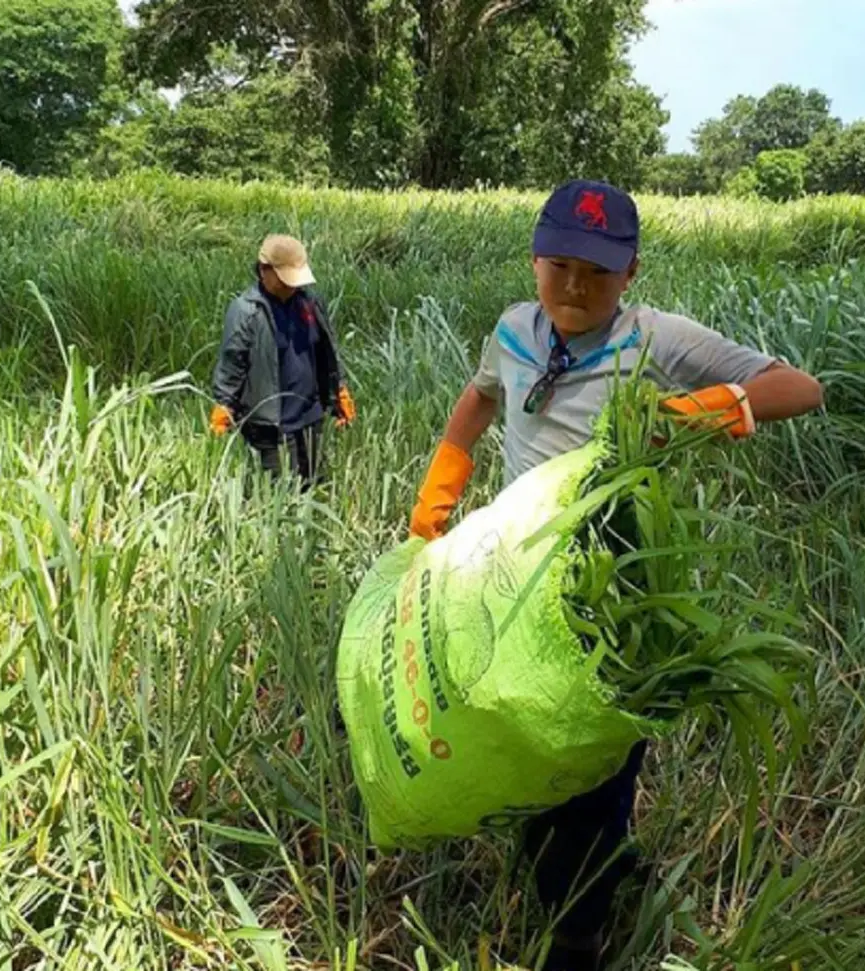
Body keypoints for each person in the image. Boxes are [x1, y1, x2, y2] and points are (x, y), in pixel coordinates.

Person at [407, 180, 823, 970]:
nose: (575, 286)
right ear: (534, 260)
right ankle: (581, 858)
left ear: (630, 272)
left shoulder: (655, 340)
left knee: (594, 764)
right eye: (559, 264)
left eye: (597, 272)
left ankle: (580, 933)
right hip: (516, 576)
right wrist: (439, 494)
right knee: (527, 745)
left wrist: (697, 411)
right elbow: (479, 397)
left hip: (614, 591)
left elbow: (799, 387)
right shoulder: (513, 330)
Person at [210, 234, 355, 486]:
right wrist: (224, 405)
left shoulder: (309, 303)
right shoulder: (247, 311)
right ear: (264, 270)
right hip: (271, 425)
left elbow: (327, 351)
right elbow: (233, 362)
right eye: (286, 278)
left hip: (310, 417)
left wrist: (338, 390)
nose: (293, 286)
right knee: (278, 494)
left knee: (315, 486)